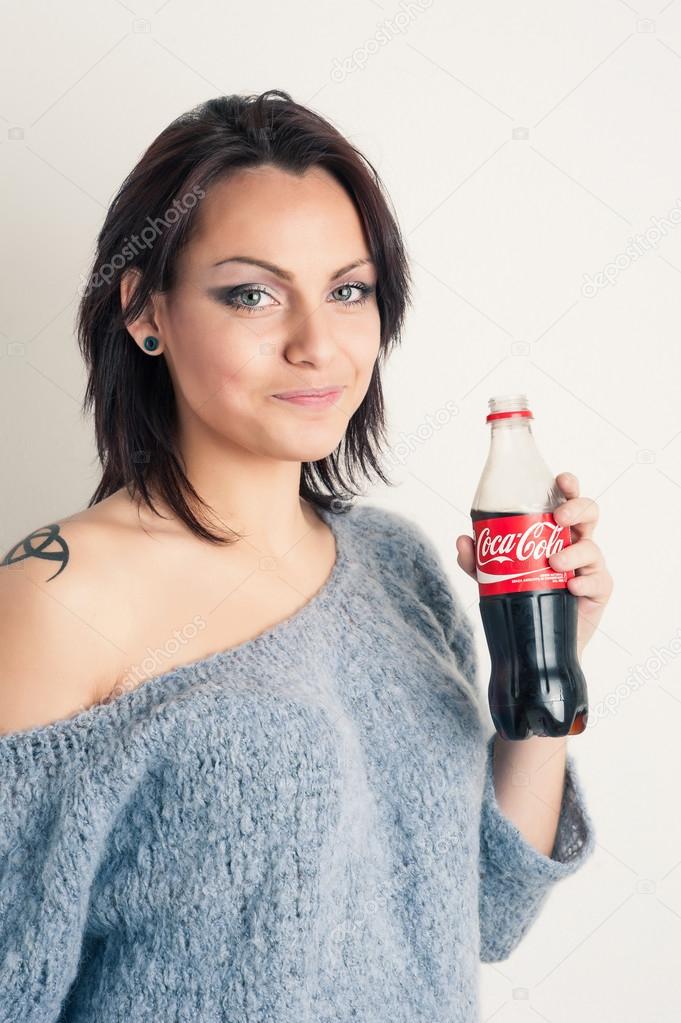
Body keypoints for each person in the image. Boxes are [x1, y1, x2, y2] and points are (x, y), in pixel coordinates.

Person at [0, 89, 603, 1023]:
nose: (318, 345)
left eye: (348, 290)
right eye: (252, 293)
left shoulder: (394, 563)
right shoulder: (57, 598)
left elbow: (482, 906)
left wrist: (546, 658)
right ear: (144, 310)